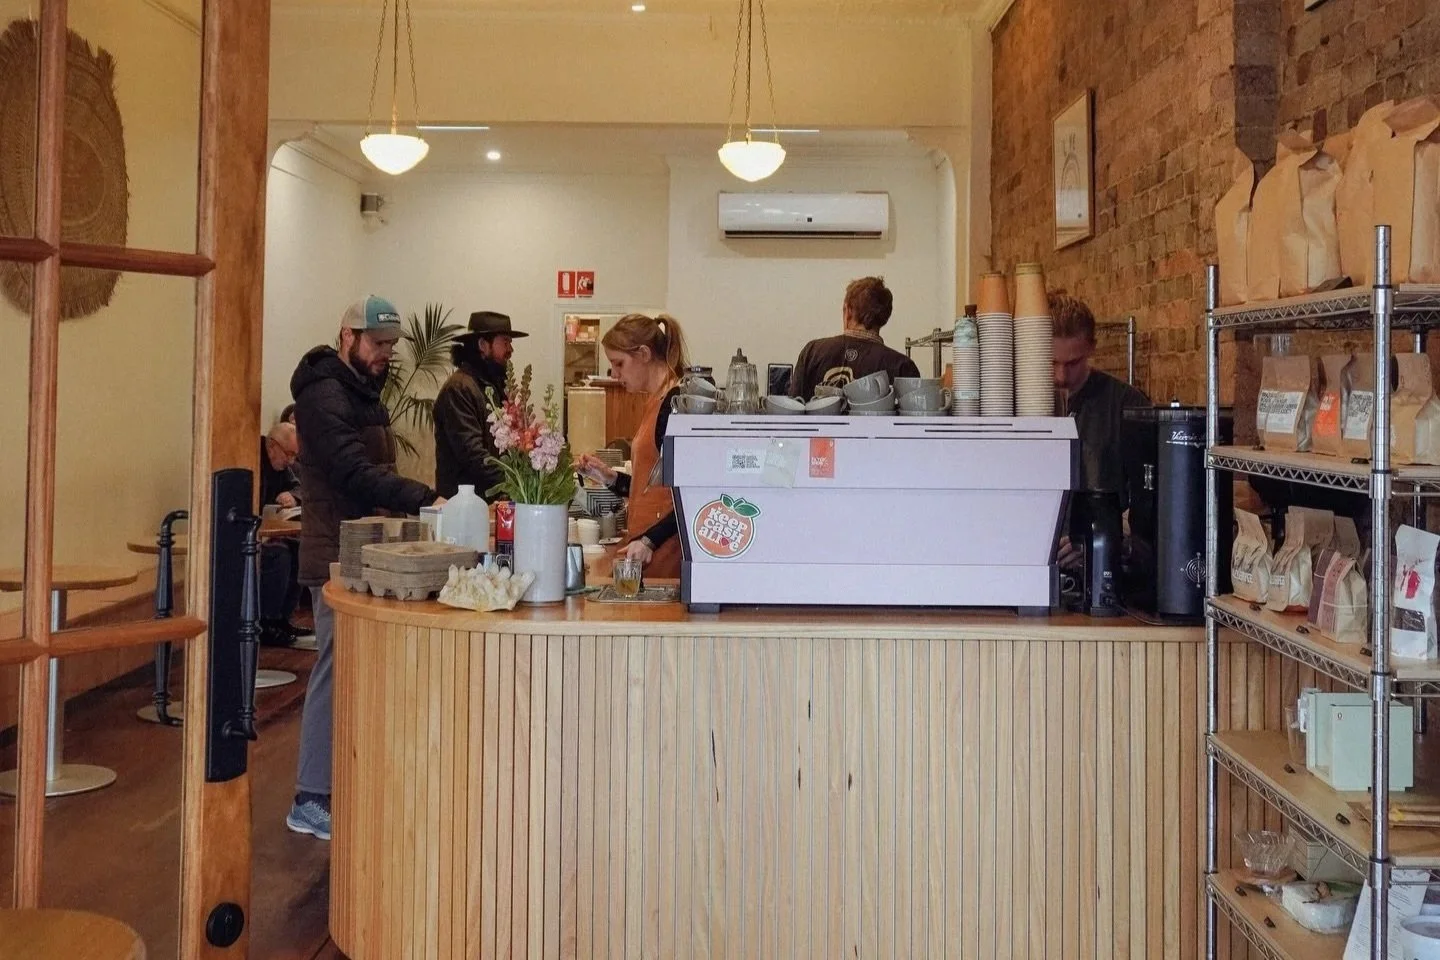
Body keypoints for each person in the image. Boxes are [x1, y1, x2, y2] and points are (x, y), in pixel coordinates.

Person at [286, 295, 445, 841]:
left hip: (366, 548)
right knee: (333, 672)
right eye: (378, 344)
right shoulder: (323, 392)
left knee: (355, 671)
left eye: (391, 346)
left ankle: (345, 785)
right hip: (334, 551)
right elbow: (353, 471)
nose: (385, 355)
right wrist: (424, 496)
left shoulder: (360, 389)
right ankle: (311, 797)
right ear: (347, 336)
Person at [574, 314, 687, 578]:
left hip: (663, 555)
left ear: (644, 354)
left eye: (619, 364)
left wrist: (650, 540)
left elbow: (689, 495)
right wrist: (608, 476)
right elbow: (653, 486)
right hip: (644, 549)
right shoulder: (654, 401)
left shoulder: (675, 405)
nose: (614, 374)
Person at [1050, 292, 1150, 569]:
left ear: (1092, 348)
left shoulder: (1127, 405)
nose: (1061, 376)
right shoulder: (1020, 403)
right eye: (1051, 362)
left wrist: (1101, 540)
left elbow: (1149, 502)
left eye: (1073, 363)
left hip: (1101, 570)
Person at [433, 311, 527, 500]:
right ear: (483, 345)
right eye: (505, 342)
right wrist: (518, 482)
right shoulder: (459, 389)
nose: (510, 350)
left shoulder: (490, 385)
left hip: (487, 503)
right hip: (464, 507)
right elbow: (472, 454)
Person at [787, 276, 921, 399]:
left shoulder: (812, 352)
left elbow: (791, 412)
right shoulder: (902, 366)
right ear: (885, 317)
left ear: (848, 311)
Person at [258, 421, 305, 645]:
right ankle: (267, 622)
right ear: (271, 446)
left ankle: (282, 619)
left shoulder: (282, 467)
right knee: (279, 555)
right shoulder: (250, 457)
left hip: (271, 532)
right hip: (250, 537)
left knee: (299, 550)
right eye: (289, 454)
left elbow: (299, 488)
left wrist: (292, 496)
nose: (291, 461)